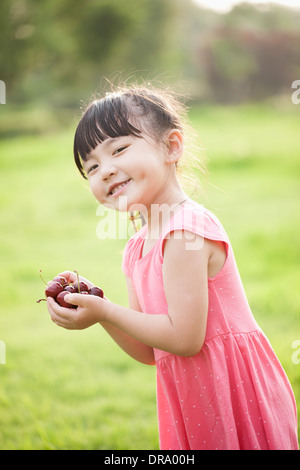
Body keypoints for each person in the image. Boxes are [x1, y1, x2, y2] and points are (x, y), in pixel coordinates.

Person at [47, 84, 298, 450]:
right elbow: (150, 350)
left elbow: (184, 338)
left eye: (119, 149)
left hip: (233, 391)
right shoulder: (136, 247)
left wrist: (105, 309)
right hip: (194, 396)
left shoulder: (185, 231)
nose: (106, 170)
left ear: (172, 147)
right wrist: (98, 309)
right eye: (93, 166)